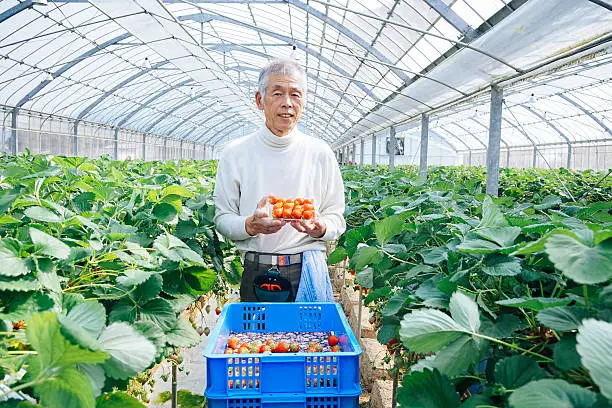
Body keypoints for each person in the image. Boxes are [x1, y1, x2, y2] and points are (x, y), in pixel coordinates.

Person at [213, 59, 346, 302]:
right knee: (256, 341)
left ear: (303, 102)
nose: (287, 103)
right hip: (256, 269)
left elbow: (337, 217)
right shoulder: (235, 153)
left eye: (295, 94)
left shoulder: (320, 153)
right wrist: (251, 225)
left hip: (308, 268)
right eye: (277, 93)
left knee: (310, 340)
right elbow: (223, 219)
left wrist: (321, 228)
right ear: (259, 100)